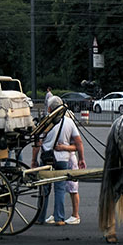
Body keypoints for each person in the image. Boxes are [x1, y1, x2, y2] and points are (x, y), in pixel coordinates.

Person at [31, 96, 86, 227]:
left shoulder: (45, 122)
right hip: (63, 159)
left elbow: (37, 143)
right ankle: (59, 218)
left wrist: (33, 160)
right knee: (60, 189)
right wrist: (82, 159)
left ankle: (40, 217)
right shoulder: (69, 122)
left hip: (47, 158)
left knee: (44, 189)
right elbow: (78, 142)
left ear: (49, 108)